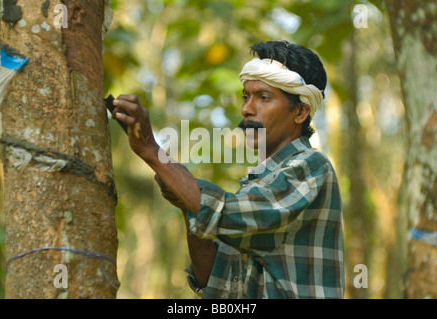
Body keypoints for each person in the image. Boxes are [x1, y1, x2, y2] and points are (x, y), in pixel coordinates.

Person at [112, 40, 344, 299]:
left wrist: (151, 150)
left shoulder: (310, 165)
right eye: (246, 97)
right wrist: (186, 204)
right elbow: (218, 283)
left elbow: (227, 214)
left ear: (300, 112)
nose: (246, 109)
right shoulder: (257, 182)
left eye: (264, 98)